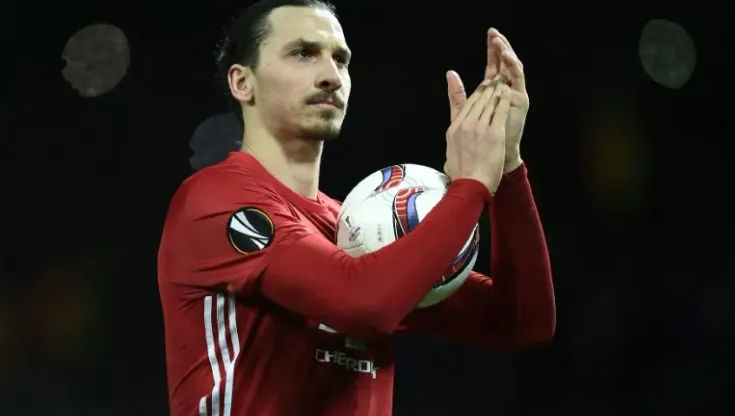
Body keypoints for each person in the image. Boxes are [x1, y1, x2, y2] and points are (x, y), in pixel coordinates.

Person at [158, 0, 555, 415]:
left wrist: (507, 168)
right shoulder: (214, 200)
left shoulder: (359, 230)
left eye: (341, 60)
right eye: (303, 53)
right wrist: (472, 185)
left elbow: (522, 324)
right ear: (242, 82)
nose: (331, 76)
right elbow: (365, 305)